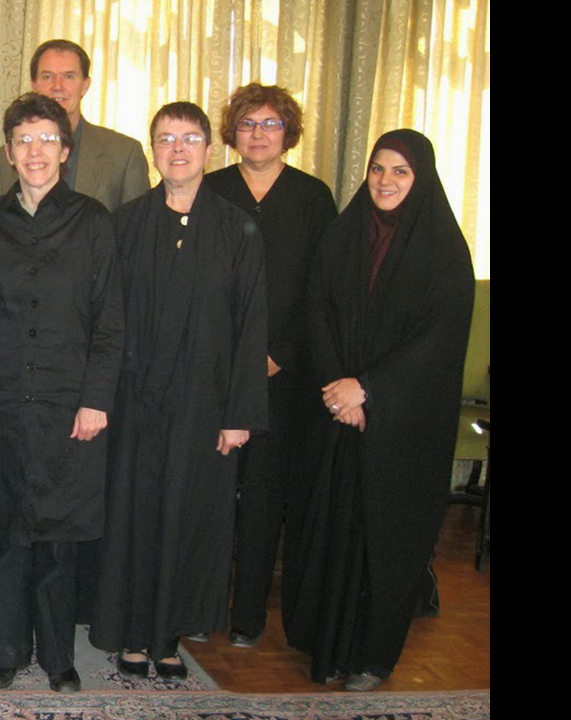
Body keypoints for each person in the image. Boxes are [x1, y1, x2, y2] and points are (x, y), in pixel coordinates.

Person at [284, 129, 473, 692]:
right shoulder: (344, 236)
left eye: (400, 172)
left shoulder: (443, 250)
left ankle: (372, 656)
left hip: (403, 426)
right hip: (336, 414)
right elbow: (314, 307)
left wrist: (368, 389)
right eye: (377, 169)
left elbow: (436, 342)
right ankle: (322, 644)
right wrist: (338, 389)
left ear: (422, 180)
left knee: (385, 538)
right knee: (331, 526)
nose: (385, 181)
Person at [89, 102, 268, 682]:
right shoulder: (127, 223)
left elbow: (250, 325)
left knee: (188, 518)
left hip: (204, 407)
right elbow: (107, 319)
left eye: (189, 139)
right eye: (166, 139)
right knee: (135, 518)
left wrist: (239, 413)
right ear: (154, 151)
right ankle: (132, 635)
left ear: (209, 150)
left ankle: (168, 638)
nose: (178, 149)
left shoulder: (237, 227)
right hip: (137, 403)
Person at [0, 93, 123, 693]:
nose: (35, 151)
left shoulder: (93, 221)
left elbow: (109, 324)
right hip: (1, 406)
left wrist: (96, 399)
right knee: (8, 537)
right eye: (24, 140)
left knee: (57, 541)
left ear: (65, 150)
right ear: (8, 152)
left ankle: (58, 657)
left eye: (47, 139)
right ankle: (6, 652)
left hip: (68, 408)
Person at [205, 83, 337, 648]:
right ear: (232, 132)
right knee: (210, 492)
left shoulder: (313, 197)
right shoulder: (208, 190)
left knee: (263, 495)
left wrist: (279, 354)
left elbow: (324, 288)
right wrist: (227, 357)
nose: (258, 134)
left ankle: (249, 616)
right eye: (248, 124)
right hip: (213, 372)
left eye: (270, 124)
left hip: (284, 376)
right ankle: (202, 604)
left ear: (288, 132)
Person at [0, 39, 149, 212]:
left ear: (85, 85)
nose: (57, 86)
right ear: (34, 84)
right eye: (47, 76)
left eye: (69, 76)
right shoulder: (4, 159)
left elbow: (138, 231)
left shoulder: (124, 154)